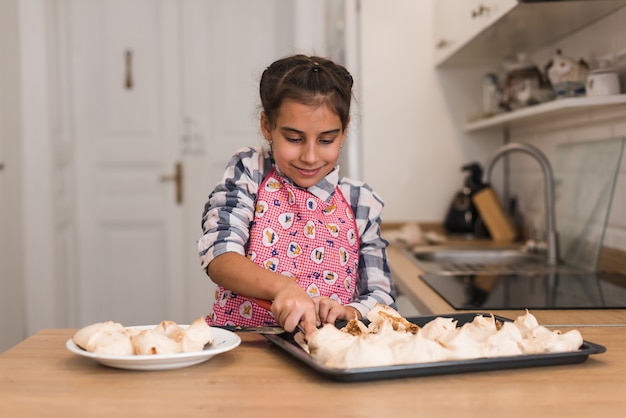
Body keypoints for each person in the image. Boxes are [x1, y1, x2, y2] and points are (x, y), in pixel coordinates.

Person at [197, 54, 396, 338]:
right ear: (267, 126)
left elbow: (382, 298)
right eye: (294, 138)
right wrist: (283, 286)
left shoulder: (359, 201)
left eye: (326, 140)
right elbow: (219, 256)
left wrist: (348, 312)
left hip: (323, 353)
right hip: (246, 345)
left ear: (344, 131)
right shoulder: (251, 171)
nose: (310, 156)